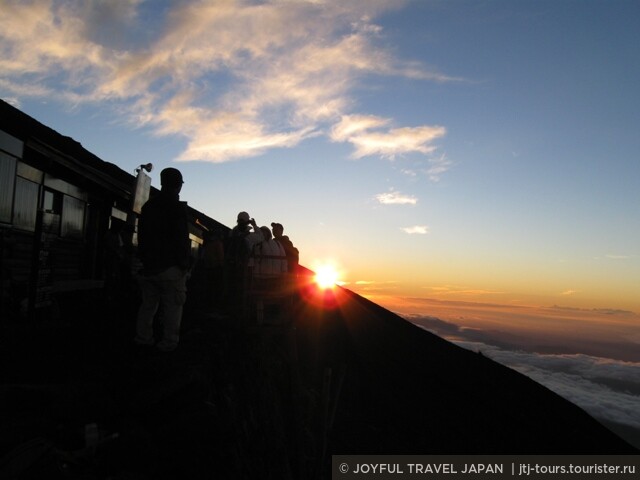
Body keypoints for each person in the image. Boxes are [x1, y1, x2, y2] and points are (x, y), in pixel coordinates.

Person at [135, 167, 190, 352]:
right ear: (178, 186)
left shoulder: (148, 206)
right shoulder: (177, 208)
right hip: (171, 268)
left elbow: (141, 235)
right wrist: (184, 265)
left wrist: (144, 260)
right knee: (173, 308)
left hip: (149, 266)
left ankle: (143, 339)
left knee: (147, 306)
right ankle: (168, 344)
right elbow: (181, 239)